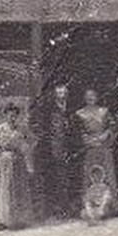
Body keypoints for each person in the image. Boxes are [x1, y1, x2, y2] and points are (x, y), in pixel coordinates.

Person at [0, 105, 36, 230]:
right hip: (4, 161)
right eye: (9, 114)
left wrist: (26, 150)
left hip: (19, 161)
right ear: (5, 115)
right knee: (4, 191)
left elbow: (33, 140)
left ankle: (18, 220)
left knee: (19, 190)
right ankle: (2, 221)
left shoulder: (22, 129)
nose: (12, 117)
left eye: (15, 115)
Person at [34, 83, 78, 218]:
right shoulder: (49, 111)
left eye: (64, 93)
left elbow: (74, 130)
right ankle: (54, 210)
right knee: (53, 180)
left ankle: (66, 209)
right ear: (55, 95)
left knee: (67, 180)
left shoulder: (71, 110)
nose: (62, 96)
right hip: (52, 150)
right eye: (59, 93)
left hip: (69, 150)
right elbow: (45, 131)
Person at [75, 87, 117, 218]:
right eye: (87, 96)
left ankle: (110, 206)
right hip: (90, 147)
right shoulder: (80, 113)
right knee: (91, 174)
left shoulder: (104, 111)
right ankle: (90, 207)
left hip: (103, 146)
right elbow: (78, 132)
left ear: (97, 97)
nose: (90, 98)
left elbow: (112, 126)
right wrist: (87, 140)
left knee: (107, 174)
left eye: (93, 95)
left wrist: (105, 135)